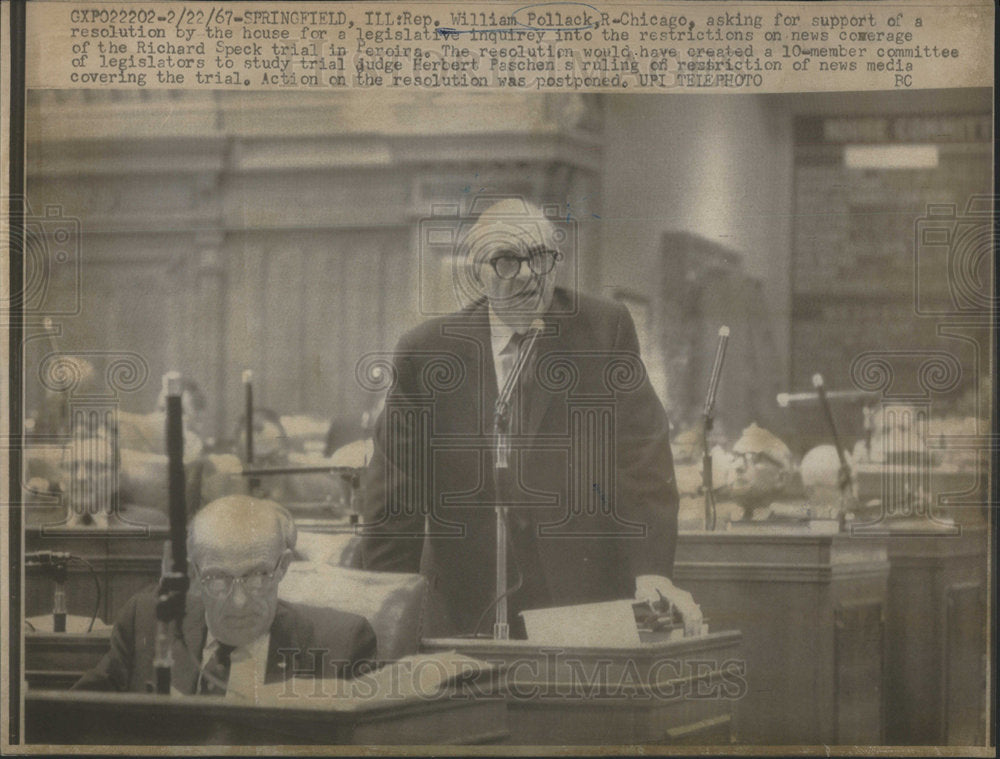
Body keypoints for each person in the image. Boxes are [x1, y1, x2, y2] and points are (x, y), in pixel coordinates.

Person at [361, 198, 700, 638]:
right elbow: (395, 498)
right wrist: (391, 608)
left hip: (586, 598)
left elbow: (642, 459)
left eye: (539, 258)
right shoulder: (427, 354)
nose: (526, 275)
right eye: (506, 260)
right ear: (478, 271)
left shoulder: (603, 330)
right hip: (468, 603)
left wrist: (653, 572)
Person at [74, 495, 377, 695]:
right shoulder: (147, 621)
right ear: (193, 575)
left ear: (283, 567)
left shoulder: (340, 647)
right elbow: (72, 722)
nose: (239, 601)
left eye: (257, 576)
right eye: (218, 578)